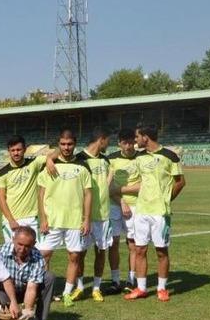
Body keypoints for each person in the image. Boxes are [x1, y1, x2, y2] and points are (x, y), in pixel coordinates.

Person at [123, 124, 186, 302]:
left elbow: (180, 182)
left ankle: (161, 288)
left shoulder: (169, 156)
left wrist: (167, 199)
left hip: (160, 212)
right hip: (141, 211)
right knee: (140, 249)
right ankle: (141, 288)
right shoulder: (140, 156)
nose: (135, 140)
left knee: (161, 251)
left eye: (137, 137)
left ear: (145, 137)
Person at [36, 129, 92, 308]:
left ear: (75, 144)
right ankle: (44, 291)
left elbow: (88, 194)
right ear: (58, 145)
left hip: (74, 220)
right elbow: (41, 194)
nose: (66, 147)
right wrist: (43, 219)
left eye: (69, 144)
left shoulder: (83, 166)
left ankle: (67, 293)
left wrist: (86, 219)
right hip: (52, 220)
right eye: (63, 144)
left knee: (74, 256)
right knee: (44, 255)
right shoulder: (50, 165)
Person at [73, 128, 112, 302]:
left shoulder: (105, 160)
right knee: (80, 253)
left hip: (103, 214)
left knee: (101, 251)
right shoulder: (79, 159)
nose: (108, 144)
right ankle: (80, 287)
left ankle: (96, 288)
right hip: (84, 216)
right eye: (107, 141)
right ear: (101, 139)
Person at [0, 135, 55, 241]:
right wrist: (11, 220)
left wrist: (49, 158)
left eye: (19, 149)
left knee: (35, 253)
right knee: (13, 253)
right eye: (12, 150)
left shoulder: (33, 163)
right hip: (12, 220)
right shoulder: (2, 172)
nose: (16, 153)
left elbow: (57, 152)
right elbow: (0, 199)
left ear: (25, 149)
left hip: (31, 219)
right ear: (8, 151)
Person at [0, 226, 53, 320]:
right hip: (5, 290)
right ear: (13, 239)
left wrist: (27, 314)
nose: (22, 249)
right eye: (20, 244)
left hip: (26, 289)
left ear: (34, 244)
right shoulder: (0, 253)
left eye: (27, 246)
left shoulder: (38, 258)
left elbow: (32, 287)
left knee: (49, 277)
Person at [107, 128, 140, 292]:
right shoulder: (112, 159)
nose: (128, 146)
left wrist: (121, 192)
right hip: (114, 205)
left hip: (135, 206)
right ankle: (115, 280)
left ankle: (131, 280)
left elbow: (143, 186)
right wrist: (121, 202)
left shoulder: (140, 158)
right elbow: (109, 187)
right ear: (119, 143)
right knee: (113, 243)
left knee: (133, 244)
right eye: (125, 142)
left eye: (131, 142)